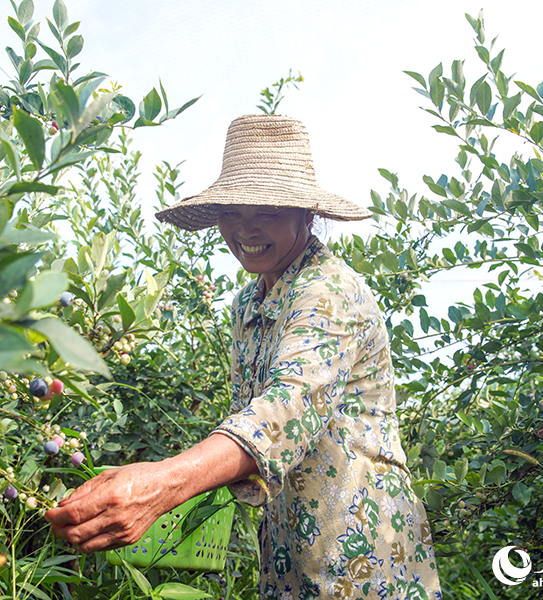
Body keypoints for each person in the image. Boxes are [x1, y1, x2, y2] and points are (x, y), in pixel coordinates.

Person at [45, 114, 442, 600]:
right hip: (288, 545)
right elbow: (249, 423)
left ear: (305, 215)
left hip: (365, 547)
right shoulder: (248, 305)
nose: (246, 228)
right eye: (233, 211)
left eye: (267, 210)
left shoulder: (329, 288)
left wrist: (166, 483)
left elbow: (286, 411)